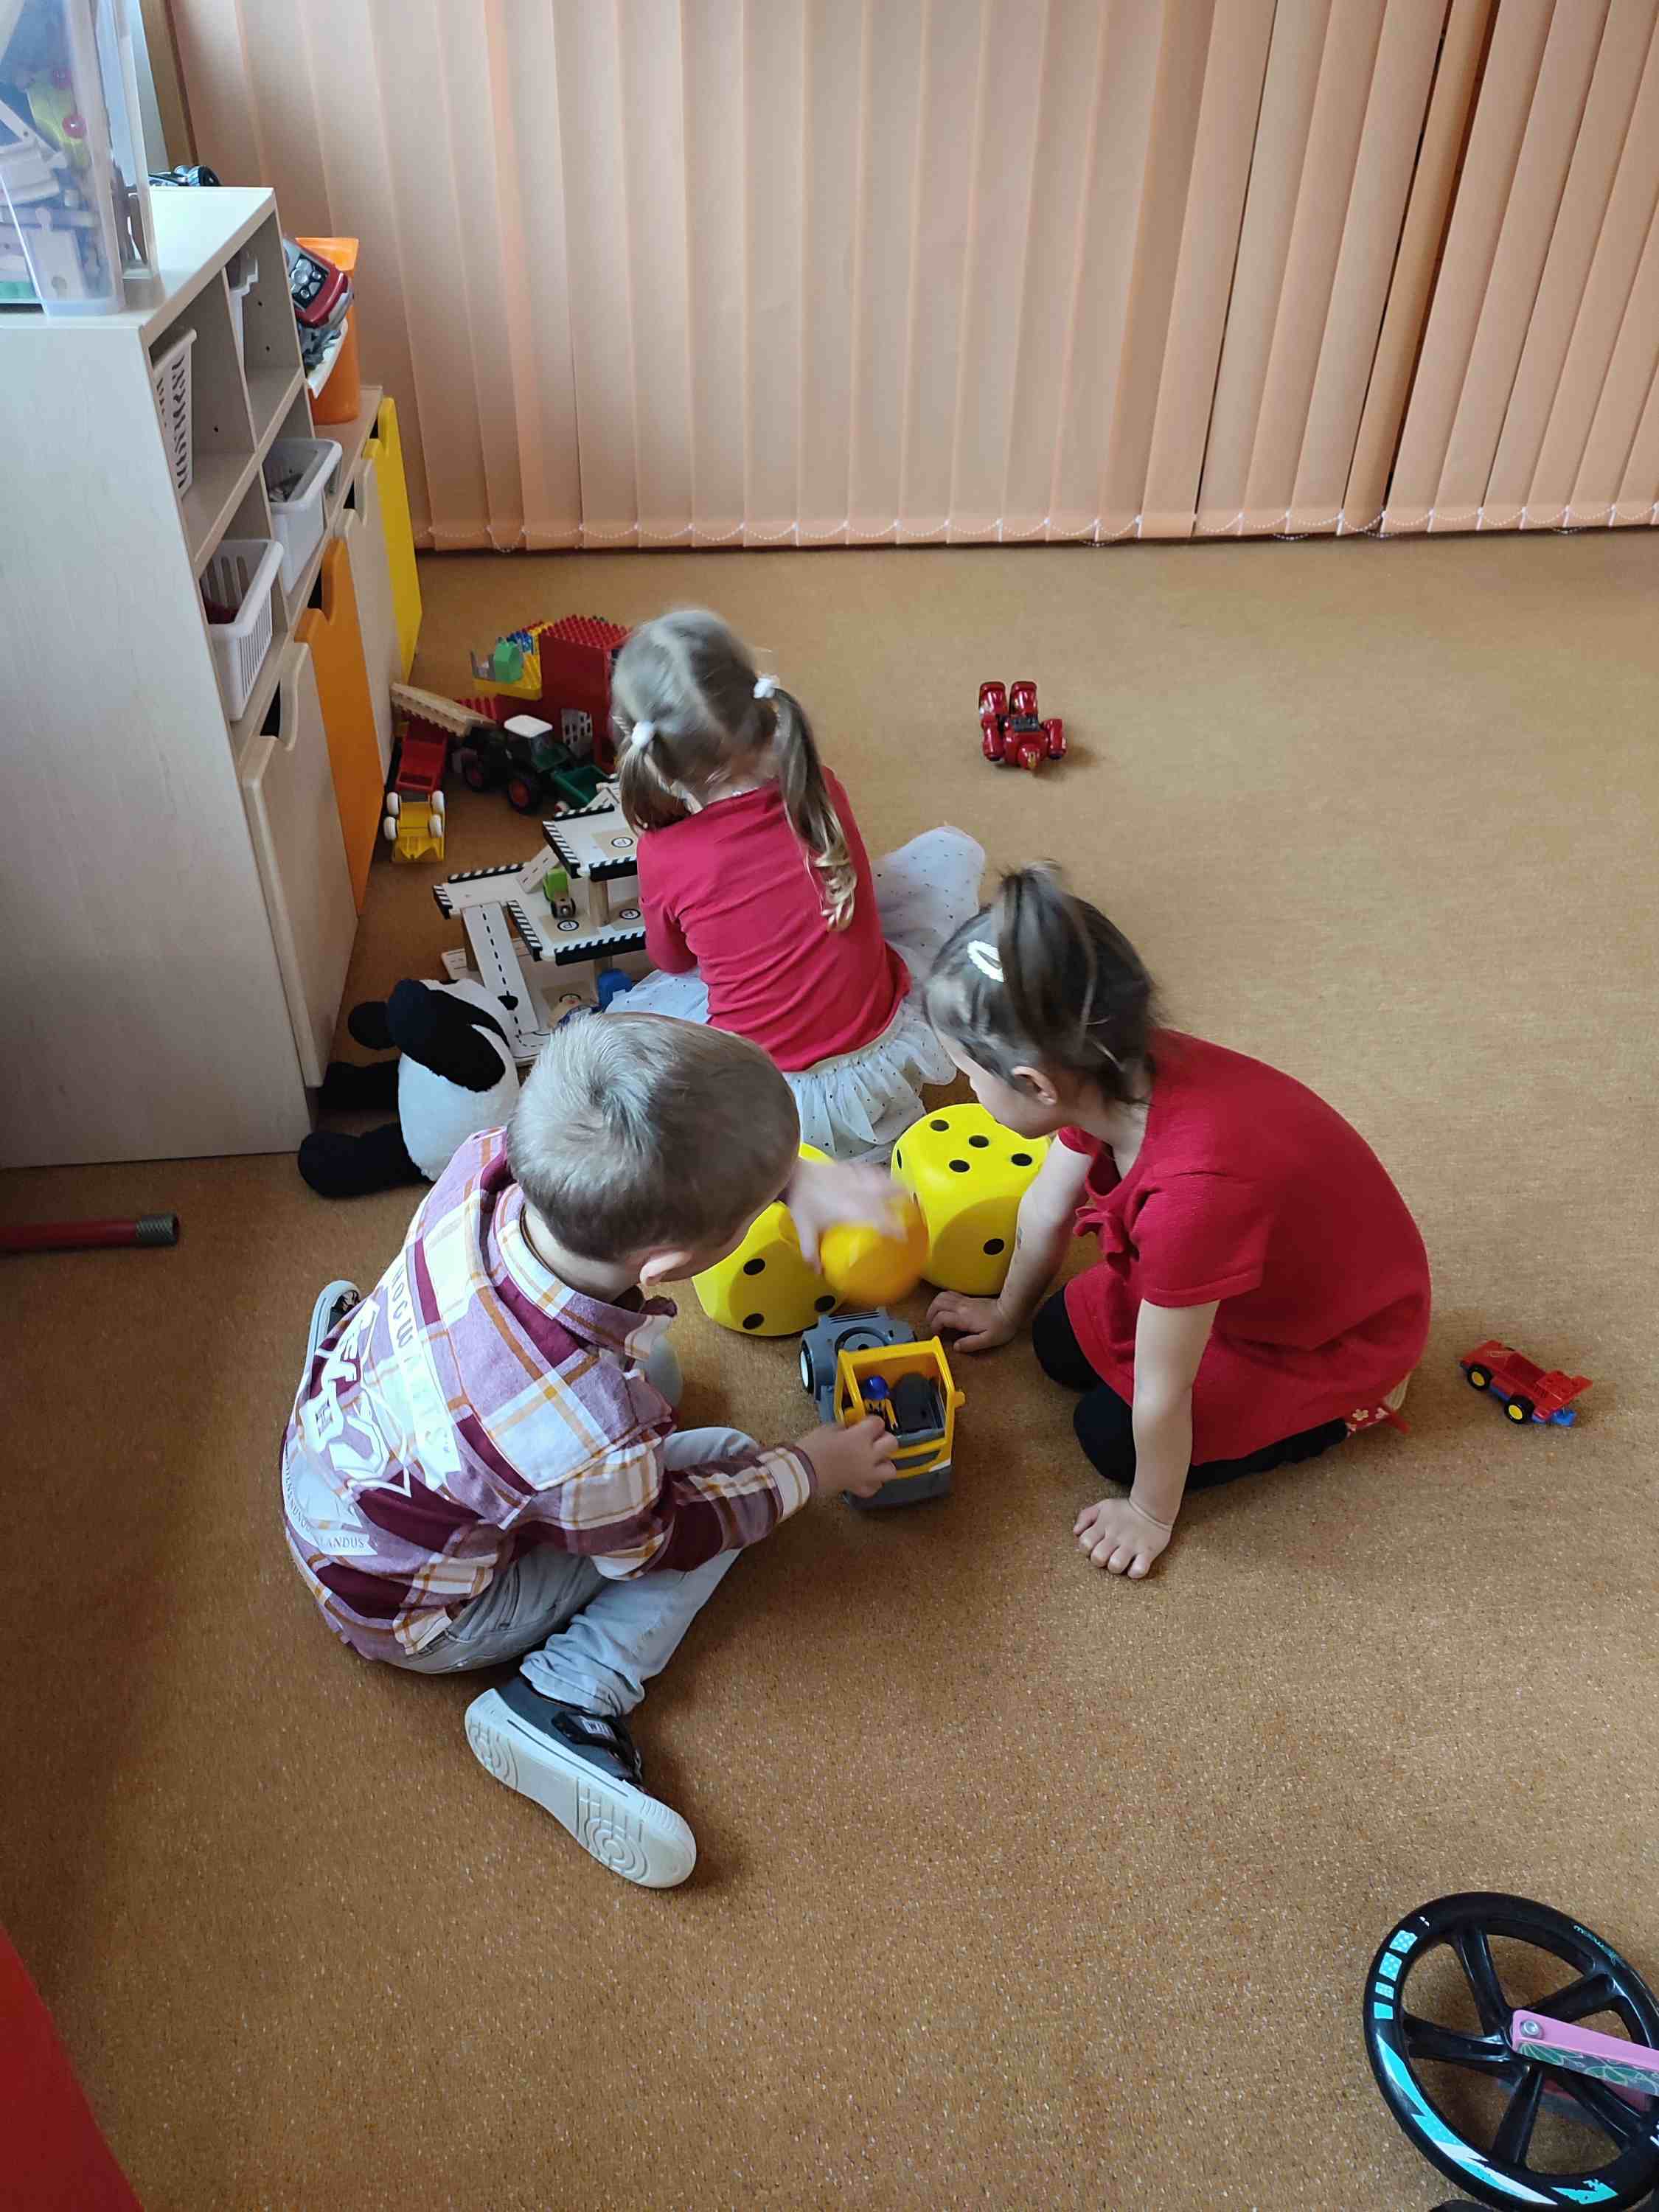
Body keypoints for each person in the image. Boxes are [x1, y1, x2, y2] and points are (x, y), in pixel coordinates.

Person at [281, 1013, 898, 1888]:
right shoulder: (589, 1430)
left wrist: (797, 1178)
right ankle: (566, 1695)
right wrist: (810, 1469)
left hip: (333, 1475)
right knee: (725, 1465)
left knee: (653, 1375)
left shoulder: (485, 1163)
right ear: (670, 1264)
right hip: (414, 1614)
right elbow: (656, 1542)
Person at [922, 869, 1430, 1579]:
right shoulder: (1107, 1070)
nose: (969, 1090)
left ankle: (1358, 1404)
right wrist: (1007, 1312)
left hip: (1327, 1334)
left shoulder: (1195, 1195)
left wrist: (1150, 1512)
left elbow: (1164, 1394)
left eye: (971, 1076)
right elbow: (1046, 1205)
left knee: (1111, 1438)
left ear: (1036, 1085)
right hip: (1232, 1276)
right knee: (1054, 1337)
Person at [604, 608, 984, 1158]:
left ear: (653, 758)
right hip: (881, 1052)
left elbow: (673, 961)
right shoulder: (818, 787)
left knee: (626, 1039)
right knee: (938, 861)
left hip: (763, 1091)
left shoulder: (663, 853)